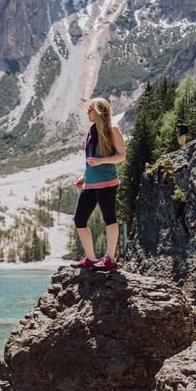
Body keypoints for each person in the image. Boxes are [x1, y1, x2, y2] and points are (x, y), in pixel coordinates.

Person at [73, 97, 126, 271]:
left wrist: (101, 161)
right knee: (79, 219)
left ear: (98, 111)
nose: (87, 112)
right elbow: (91, 161)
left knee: (109, 218)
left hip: (107, 182)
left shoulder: (113, 130)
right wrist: (84, 176)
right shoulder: (92, 130)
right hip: (91, 183)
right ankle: (91, 258)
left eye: (89, 110)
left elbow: (121, 156)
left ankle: (110, 259)